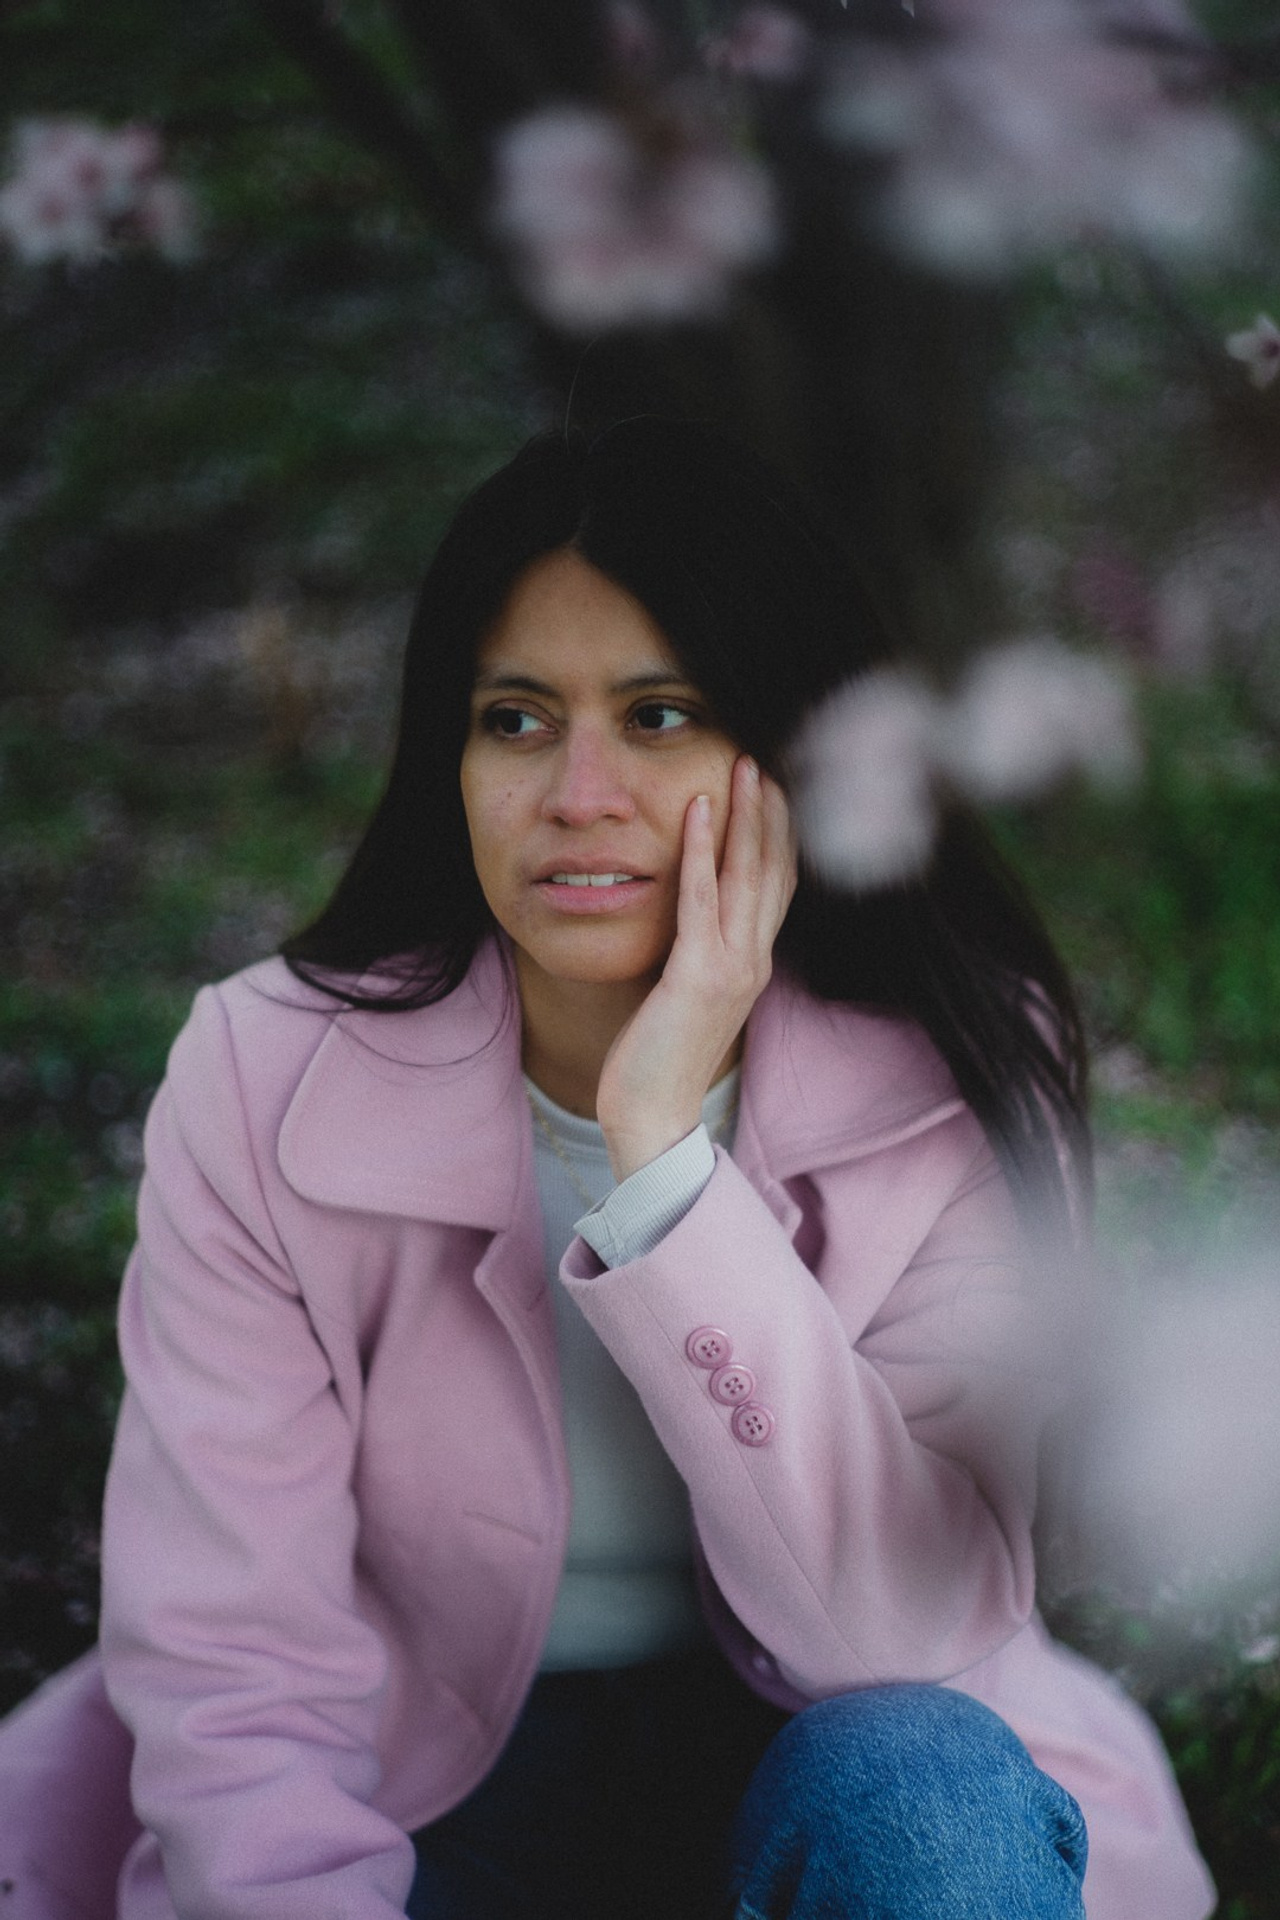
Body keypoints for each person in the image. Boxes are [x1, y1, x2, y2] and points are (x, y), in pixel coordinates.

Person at [0, 418, 1214, 1920]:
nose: (578, 791)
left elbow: (902, 1639)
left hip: (823, 1775)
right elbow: (237, 1671)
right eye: (516, 718)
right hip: (417, 1793)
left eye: (659, 715)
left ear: (790, 751)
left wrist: (664, 1164)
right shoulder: (262, 1078)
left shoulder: (949, 1067)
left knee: (926, 1783)